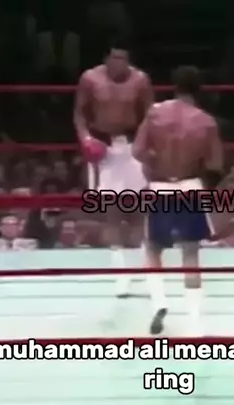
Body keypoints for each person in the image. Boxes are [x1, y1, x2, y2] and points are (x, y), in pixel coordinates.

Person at [133, 65, 224, 336]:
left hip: (160, 186)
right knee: (190, 253)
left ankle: (159, 302)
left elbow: (137, 150)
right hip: (190, 186)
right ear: (199, 90)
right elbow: (215, 164)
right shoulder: (206, 121)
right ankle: (194, 322)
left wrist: (155, 163)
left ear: (175, 86)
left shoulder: (155, 113)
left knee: (153, 248)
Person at [74, 40, 156, 301]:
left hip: (132, 146)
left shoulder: (140, 79)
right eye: (115, 57)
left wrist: (146, 145)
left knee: (139, 211)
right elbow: (79, 114)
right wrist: (86, 139)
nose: (120, 63)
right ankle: (121, 273)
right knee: (111, 212)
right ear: (106, 58)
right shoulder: (90, 78)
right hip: (102, 147)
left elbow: (150, 115)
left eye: (124, 58)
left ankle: (147, 269)